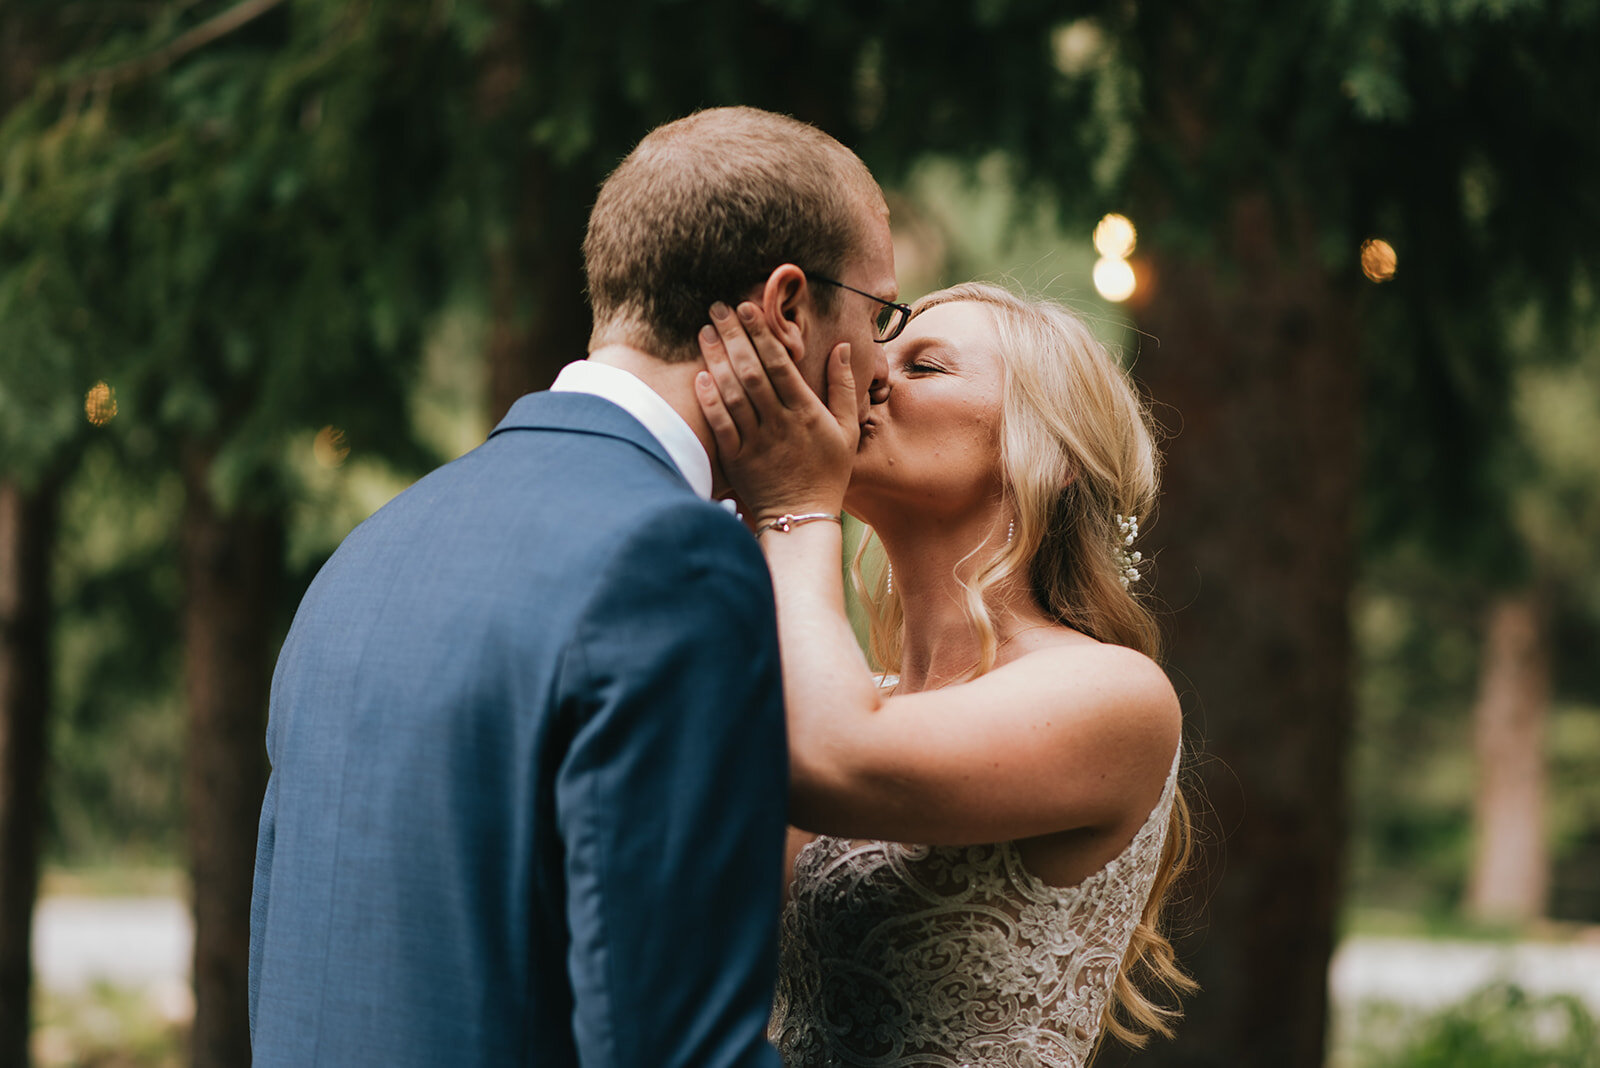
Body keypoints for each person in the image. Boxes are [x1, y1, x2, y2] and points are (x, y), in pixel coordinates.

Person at [248, 106, 894, 1067]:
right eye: (881, 317)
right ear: (789, 309)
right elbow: (675, 1050)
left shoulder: (370, 550)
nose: (883, 368)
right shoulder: (673, 562)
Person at [692, 282, 1195, 1067]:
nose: (864, 376)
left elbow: (831, 758)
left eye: (924, 365)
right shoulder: (863, 697)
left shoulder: (1114, 693)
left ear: (1050, 453)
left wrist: (791, 510)